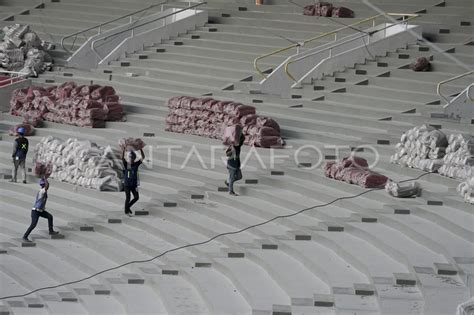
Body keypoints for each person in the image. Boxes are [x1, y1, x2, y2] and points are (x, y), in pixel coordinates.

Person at [23, 178, 59, 242]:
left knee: (50, 217)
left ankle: (51, 231)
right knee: (33, 225)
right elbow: (47, 186)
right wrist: (45, 179)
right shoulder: (42, 191)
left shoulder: (43, 191)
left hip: (40, 211)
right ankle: (25, 236)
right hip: (36, 211)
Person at [122, 148, 145, 216]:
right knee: (128, 198)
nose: (131, 159)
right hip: (127, 185)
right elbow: (122, 158)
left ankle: (127, 207)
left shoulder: (136, 164)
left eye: (133, 158)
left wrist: (140, 149)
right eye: (130, 157)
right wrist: (123, 150)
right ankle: (126, 211)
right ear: (129, 158)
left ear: (134, 158)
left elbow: (143, 157)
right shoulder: (126, 164)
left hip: (134, 185)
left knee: (136, 197)